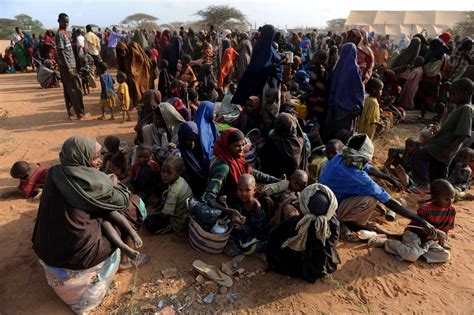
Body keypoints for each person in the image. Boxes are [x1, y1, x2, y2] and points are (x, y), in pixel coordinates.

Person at [32, 136, 146, 313]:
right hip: (81, 254)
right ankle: (125, 259)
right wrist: (112, 183)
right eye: (95, 157)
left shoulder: (55, 172)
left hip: (46, 247)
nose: (99, 161)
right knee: (134, 205)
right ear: (81, 157)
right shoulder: (92, 183)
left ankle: (123, 251)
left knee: (103, 215)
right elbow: (122, 200)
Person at [319, 134, 436, 240]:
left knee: (368, 193)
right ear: (363, 158)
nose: (366, 163)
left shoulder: (342, 156)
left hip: (323, 200)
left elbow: (368, 168)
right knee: (371, 199)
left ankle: (347, 221)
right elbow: (389, 202)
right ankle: (351, 224)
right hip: (329, 210)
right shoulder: (359, 177)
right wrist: (420, 220)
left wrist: (389, 178)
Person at [265, 184, 340, 283]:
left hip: (301, 267)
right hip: (324, 266)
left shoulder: (297, 223)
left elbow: (273, 236)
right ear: (330, 206)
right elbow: (332, 245)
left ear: (305, 205)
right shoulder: (333, 224)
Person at [202, 128, 279, 223]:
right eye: (237, 146)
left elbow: (256, 174)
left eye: (243, 145)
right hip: (230, 203)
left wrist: (277, 180)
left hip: (241, 195)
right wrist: (228, 211)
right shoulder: (223, 167)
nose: (242, 149)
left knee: (268, 200)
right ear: (227, 146)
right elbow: (209, 197)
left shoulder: (237, 159)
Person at [411, 79, 473, 192]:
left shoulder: (466, 109)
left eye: (454, 94)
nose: (451, 96)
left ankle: (423, 184)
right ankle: (441, 194)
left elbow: (464, 134)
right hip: (442, 145)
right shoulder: (458, 108)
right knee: (438, 172)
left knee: (418, 156)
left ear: (465, 93)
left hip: (444, 146)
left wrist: (450, 149)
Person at [383, 179, 455, 263]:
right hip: (414, 235)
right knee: (413, 255)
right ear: (434, 198)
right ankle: (387, 243)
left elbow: (445, 230)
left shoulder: (452, 210)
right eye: (447, 199)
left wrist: (442, 240)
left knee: (445, 255)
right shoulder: (425, 209)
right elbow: (417, 228)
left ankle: (416, 252)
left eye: (452, 198)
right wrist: (436, 232)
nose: (450, 202)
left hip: (429, 240)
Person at [232, 24, 282, 105]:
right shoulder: (266, 47)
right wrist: (278, 64)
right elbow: (263, 65)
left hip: (252, 75)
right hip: (260, 80)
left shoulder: (261, 44)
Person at [325, 42, 364, 140]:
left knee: (332, 131)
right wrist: (359, 105)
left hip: (335, 104)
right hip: (348, 108)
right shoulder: (354, 69)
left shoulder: (337, 67)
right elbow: (358, 89)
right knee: (344, 134)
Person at [145, 156, 193, 234]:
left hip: (177, 223)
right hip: (183, 215)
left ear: (179, 172)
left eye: (169, 172)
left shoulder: (174, 191)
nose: (164, 175)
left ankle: (169, 229)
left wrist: (154, 214)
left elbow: (165, 214)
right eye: (163, 171)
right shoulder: (181, 180)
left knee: (148, 222)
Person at [55, 13, 87, 120]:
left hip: (71, 65)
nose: (66, 23)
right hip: (66, 66)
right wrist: (69, 68)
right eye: (64, 21)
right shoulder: (59, 34)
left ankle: (71, 113)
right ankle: (80, 113)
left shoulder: (65, 33)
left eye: (67, 21)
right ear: (58, 21)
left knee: (70, 90)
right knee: (75, 90)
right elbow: (62, 52)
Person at [261, 113, 309, 178]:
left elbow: (264, 158)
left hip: (276, 179)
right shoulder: (299, 141)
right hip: (297, 178)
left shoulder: (273, 141)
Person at [177, 121, 209, 199]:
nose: (192, 143)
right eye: (189, 140)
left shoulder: (200, 150)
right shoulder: (179, 154)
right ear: (183, 137)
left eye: (195, 140)